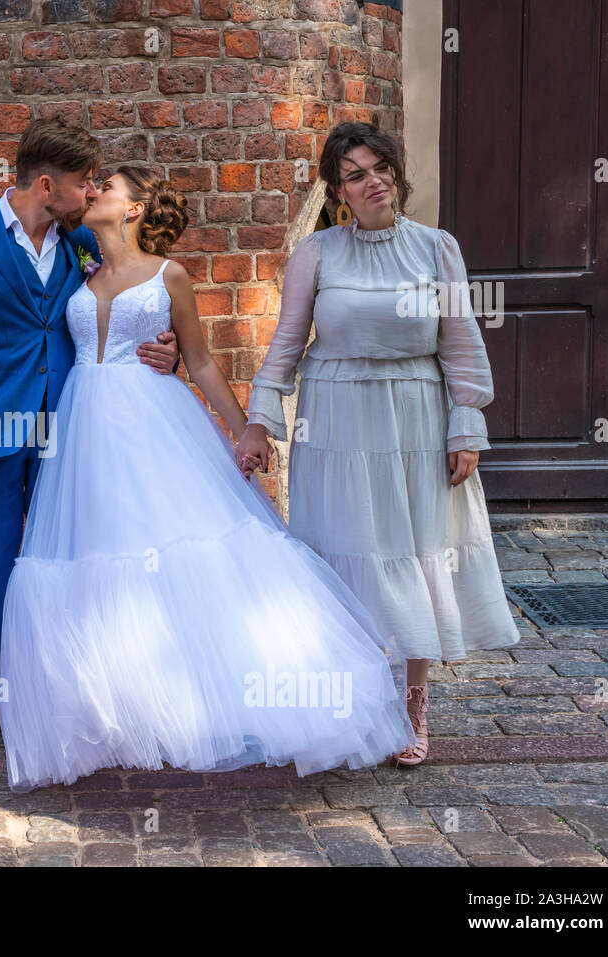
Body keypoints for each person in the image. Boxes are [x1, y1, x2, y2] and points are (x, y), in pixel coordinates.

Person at [0, 166, 416, 792]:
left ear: (135, 209)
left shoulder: (169, 276)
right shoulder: (77, 266)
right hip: (83, 427)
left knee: (182, 555)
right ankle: (117, 710)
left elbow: (200, 362)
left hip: (154, 421)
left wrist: (247, 429)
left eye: (105, 189)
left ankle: (210, 705)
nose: (92, 195)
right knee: (96, 556)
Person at [236, 121, 520, 766]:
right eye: (356, 174)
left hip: (416, 413)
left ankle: (413, 702)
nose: (374, 181)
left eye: (381, 167)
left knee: (413, 551)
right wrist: (260, 419)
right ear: (338, 191)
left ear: (397, 172)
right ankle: (347, 705)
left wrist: (466, 424)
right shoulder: (317, 254)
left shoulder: (436, 248)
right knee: (341, 552)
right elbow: (286, 344)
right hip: (334, 418)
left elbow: (461, 342)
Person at [0, 119, 180, 761]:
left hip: (72, 427)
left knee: (75, 561)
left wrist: (166, 349)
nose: (90, 192)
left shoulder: (80, 248)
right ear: (45, 184)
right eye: (82, 183)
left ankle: (70, 695)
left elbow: (125, 297)